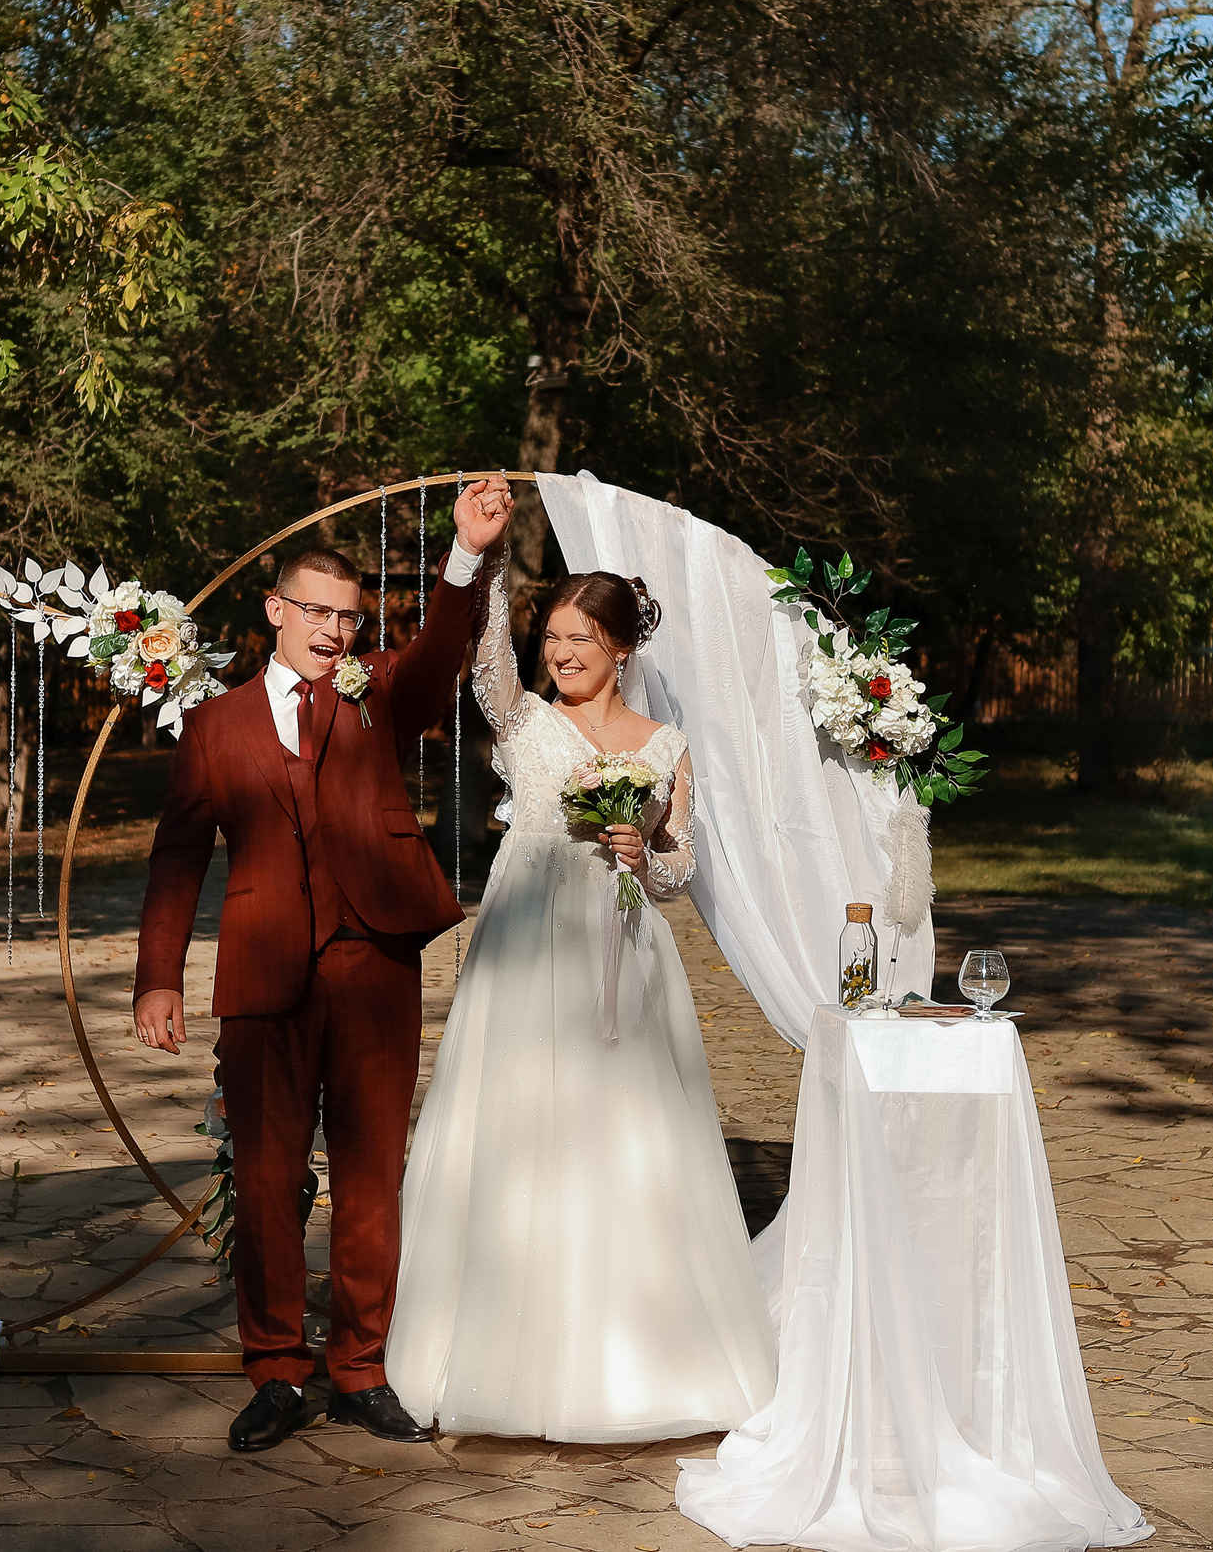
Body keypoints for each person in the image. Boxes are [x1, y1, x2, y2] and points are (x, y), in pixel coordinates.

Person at [134, 477, 513, 1453]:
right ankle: (274, 1371)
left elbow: (433, 665)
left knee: (371, 1177)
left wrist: (463, 559)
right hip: (264, 973)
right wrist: (158, 976)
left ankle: (358, 1370)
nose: (336, 631)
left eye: (349, 617)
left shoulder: (378, 692)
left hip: (374, 961)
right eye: (318, 613)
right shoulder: (215, 728)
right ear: (275, 612)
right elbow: (178, 851)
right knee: (262, 1184)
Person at [384, 537, 781, 1441]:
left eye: (580, 640)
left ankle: (633, 1359)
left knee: (629, 1143)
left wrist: (649, 853)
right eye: (553, 636)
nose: (561, 654)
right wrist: (478, 562)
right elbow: (486, 662)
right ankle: (494, 1356)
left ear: (621, 650)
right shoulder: (523, 723)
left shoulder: (664, 745)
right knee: (520, 1135)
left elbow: (681, 870)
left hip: (621, 957)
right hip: (526, 960)